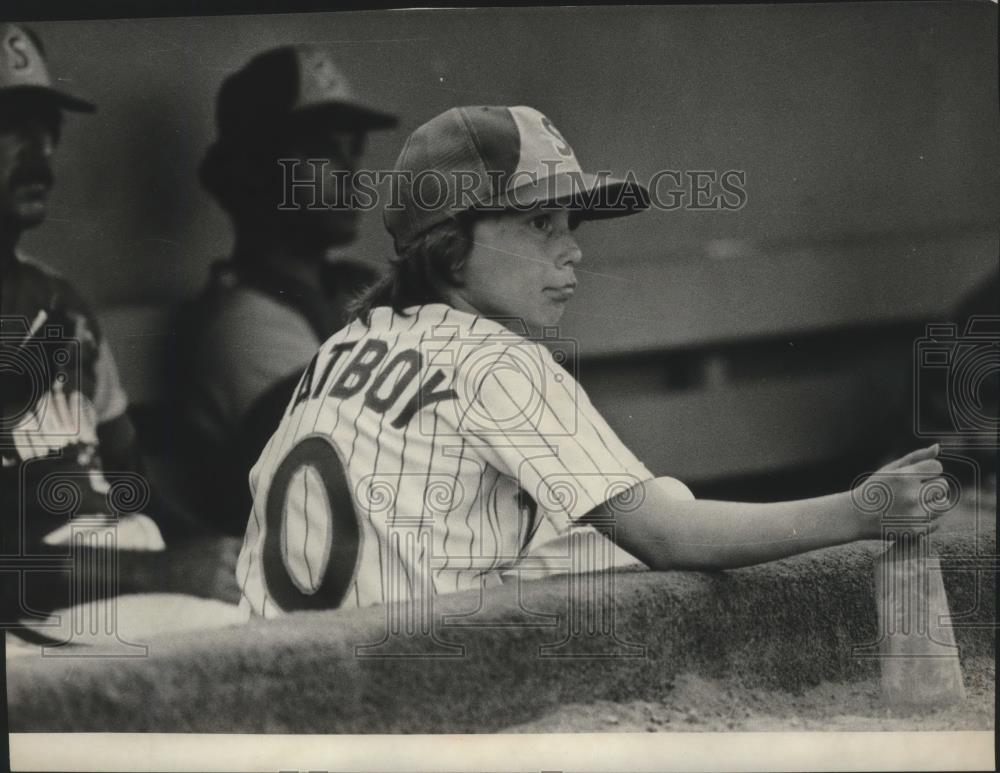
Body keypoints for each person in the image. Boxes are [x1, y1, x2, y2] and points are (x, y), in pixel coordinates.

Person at [235, 105, 947, 618]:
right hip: (409, 686)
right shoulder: (497, 361)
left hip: (277, 676)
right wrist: (860, 509)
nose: (572, 249)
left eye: (571, 225)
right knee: (662, 505)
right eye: (539, 224)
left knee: (577, 528)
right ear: (452, 245)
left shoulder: (342, 344)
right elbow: (668, 538)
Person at [0, 24, 237, 625]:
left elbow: (133, 485)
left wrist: (224, 554)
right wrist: (159, 573)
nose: (42, 148)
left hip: (129, 581)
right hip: (44, 614)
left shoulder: (63, 303)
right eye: (10, 124)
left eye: (46, 124)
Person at [177, 45, 398, 537]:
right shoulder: (240, 321)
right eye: (323, 150)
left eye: (353, 148)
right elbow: (351, 476)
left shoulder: (355, 284)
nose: (351, 173)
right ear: (257, 170)